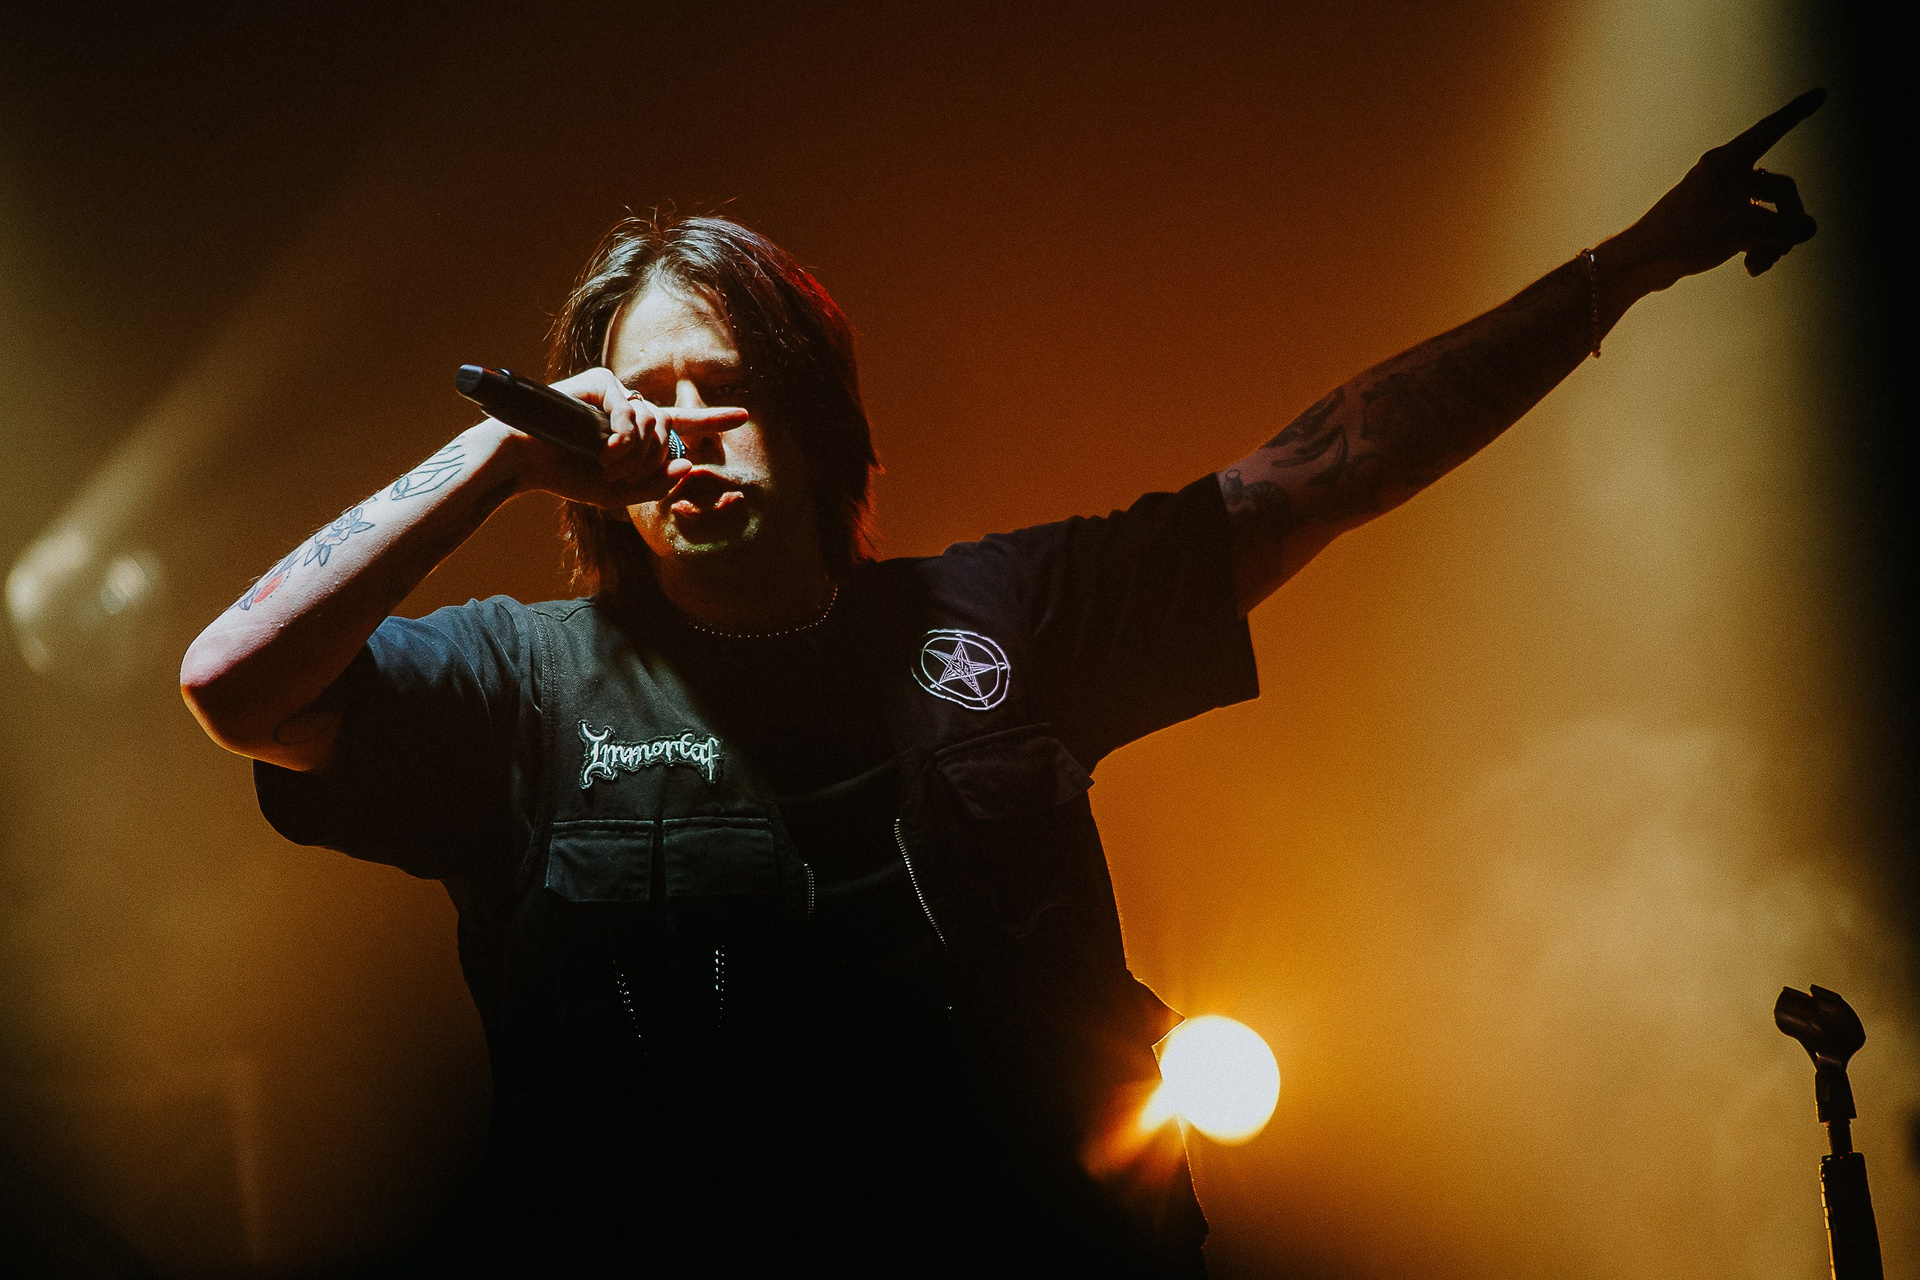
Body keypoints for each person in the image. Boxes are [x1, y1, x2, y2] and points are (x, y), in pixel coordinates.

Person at [180, 92, 1824, 1276]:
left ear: (812, 414)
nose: (677, 428)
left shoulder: (1006, 615)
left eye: (719, 387)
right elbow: (237, 684)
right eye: (639, 397)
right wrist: (499, 453)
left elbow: (1327, 469)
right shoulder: (518, 683)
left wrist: (1620, 269)